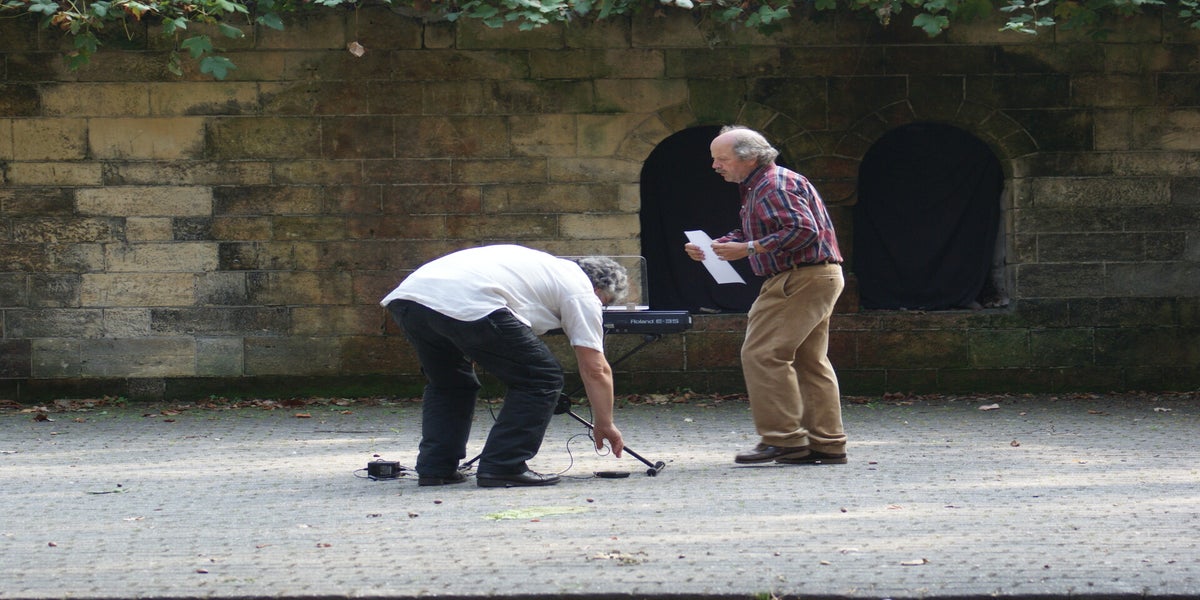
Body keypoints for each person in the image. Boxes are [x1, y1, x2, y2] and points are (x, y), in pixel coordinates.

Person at [381, 244, 626, 488]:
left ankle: (436, 468)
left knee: (450, 384)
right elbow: (596, 369)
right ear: (598, 290)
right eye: (603, 303)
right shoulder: (582, 291)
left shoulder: (545, 268)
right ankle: (503, 466)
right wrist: (605, 423)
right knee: (541, 377)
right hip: (467, 300)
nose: (599, 309)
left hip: (409, 299)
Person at [684, 125, 848, 465]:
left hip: (798, 278)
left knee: (762, 353)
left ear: (750, 158)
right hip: (815, 276)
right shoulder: (766, 184)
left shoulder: (772, 185)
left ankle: (784, 439)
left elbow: (803, 230)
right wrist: (719, 245)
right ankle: (826, 443)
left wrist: (749, 248)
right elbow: (760, 230)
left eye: (722, 159)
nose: (715, 166)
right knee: (808, 362)